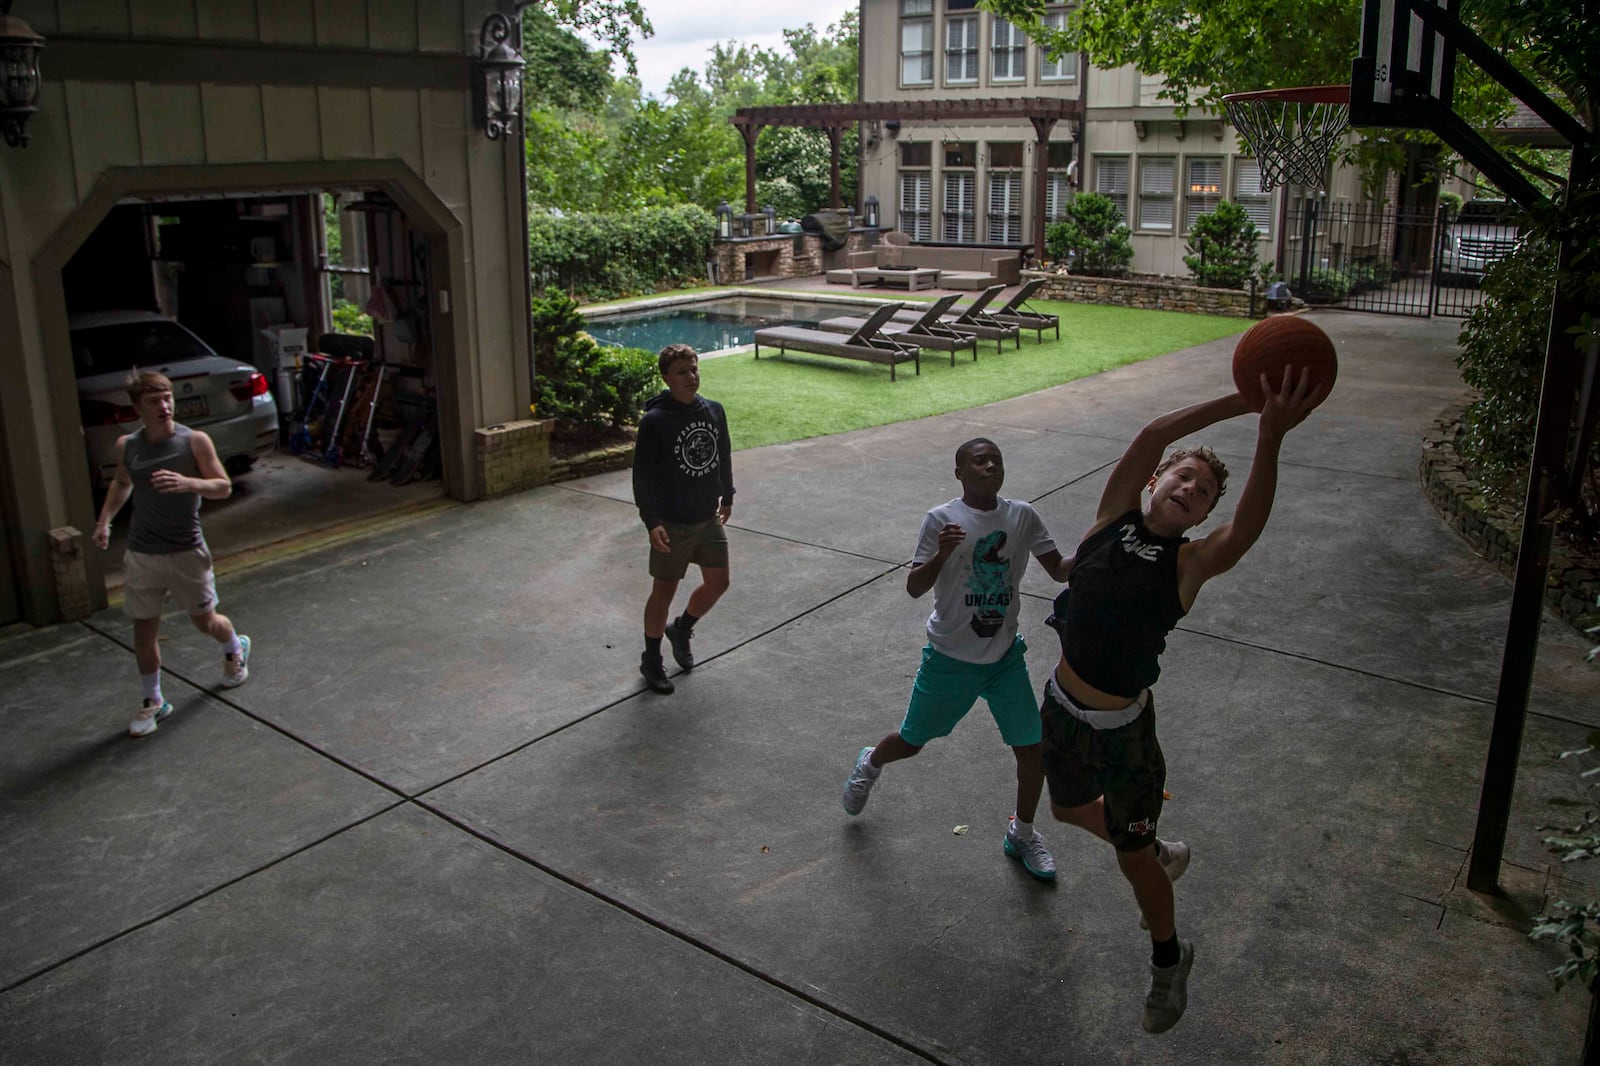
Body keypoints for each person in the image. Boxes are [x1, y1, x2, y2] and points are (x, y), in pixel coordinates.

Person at [1040, 368, 1325, 1034]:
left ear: (1202, 515)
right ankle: (1163, 854)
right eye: (1183, 477)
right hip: (1060, 706)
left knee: (1130, 858)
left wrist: (1270, 433)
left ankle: (1169, 958)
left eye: (1203, 492)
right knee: (1066, 807)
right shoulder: (1110, 517)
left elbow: (1247, 529)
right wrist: (1242, 398)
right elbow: (1154, 433)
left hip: (1124, 735)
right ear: (1154, 482)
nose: (1191, 488)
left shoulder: (1189, 564)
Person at [840, 438, 1074, 882]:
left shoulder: (1022, 516)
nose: (989, 467)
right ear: (959, 473)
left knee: (1032, 750)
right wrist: (943, 554)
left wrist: (1101, 548)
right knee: (911, 741)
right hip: (950, 658)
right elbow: (914, 587)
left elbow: (1059, 568)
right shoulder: (941, 519)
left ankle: (1021, 833)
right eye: (979, 461)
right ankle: (871, 763)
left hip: (1005, 657)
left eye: (996, 461)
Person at [92, 371, 252, 737]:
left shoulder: (194, 441)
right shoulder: (128, 446)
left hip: (186, 551)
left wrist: (188, 483)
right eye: (154, 401)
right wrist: (104, 522)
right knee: (143, 630)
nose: (164, 406)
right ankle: (153, 701)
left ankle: (234, 647)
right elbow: (122, 482)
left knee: (206, 622)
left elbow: (223, 487)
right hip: (142, 553)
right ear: (137, 408)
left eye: (167, 398)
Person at [631, 343, 735, 695]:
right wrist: (652, 521)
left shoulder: (714, 411)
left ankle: (682, 627)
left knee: (719, 582)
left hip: (707, 517)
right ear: (666, 378)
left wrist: (728, 494)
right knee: (664, 591)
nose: (691, 377)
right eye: (682, 372)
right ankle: (651, 659)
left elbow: (723, 454)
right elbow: (642, 476)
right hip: (672, 523)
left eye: (694, 369)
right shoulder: (655, 421)